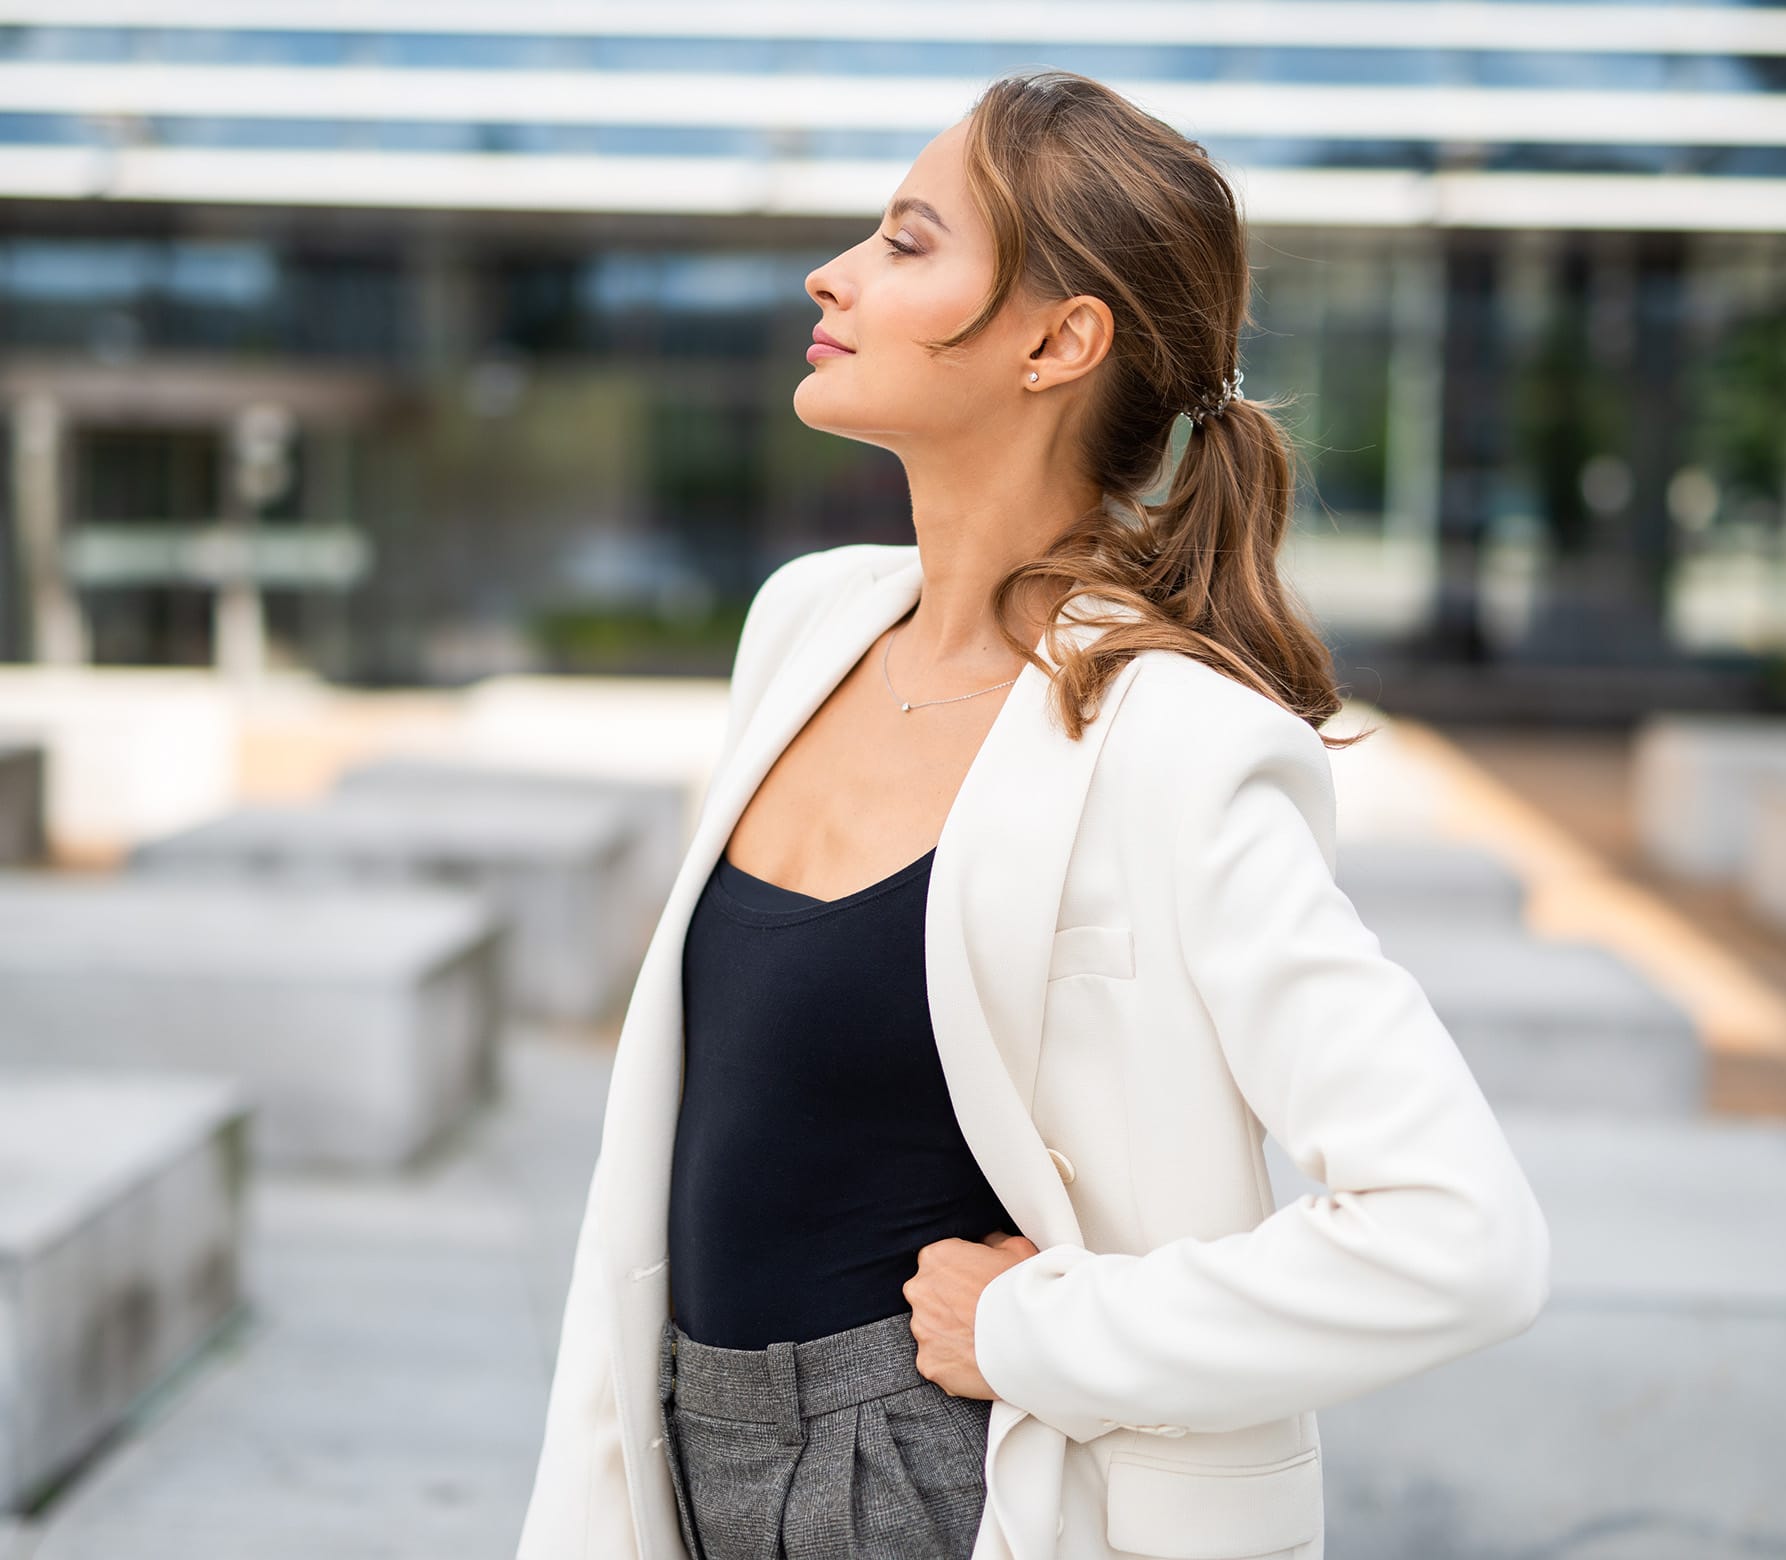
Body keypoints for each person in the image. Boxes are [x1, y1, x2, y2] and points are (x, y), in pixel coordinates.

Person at [516, 68, 1550, 1560]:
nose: (833, 274)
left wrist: (1046, 1332)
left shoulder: (1179, 743)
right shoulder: (805, 625)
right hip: (692, 1455)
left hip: (968, 1485)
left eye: (907, 242)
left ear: (1059, 342)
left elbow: (1462, 1236)